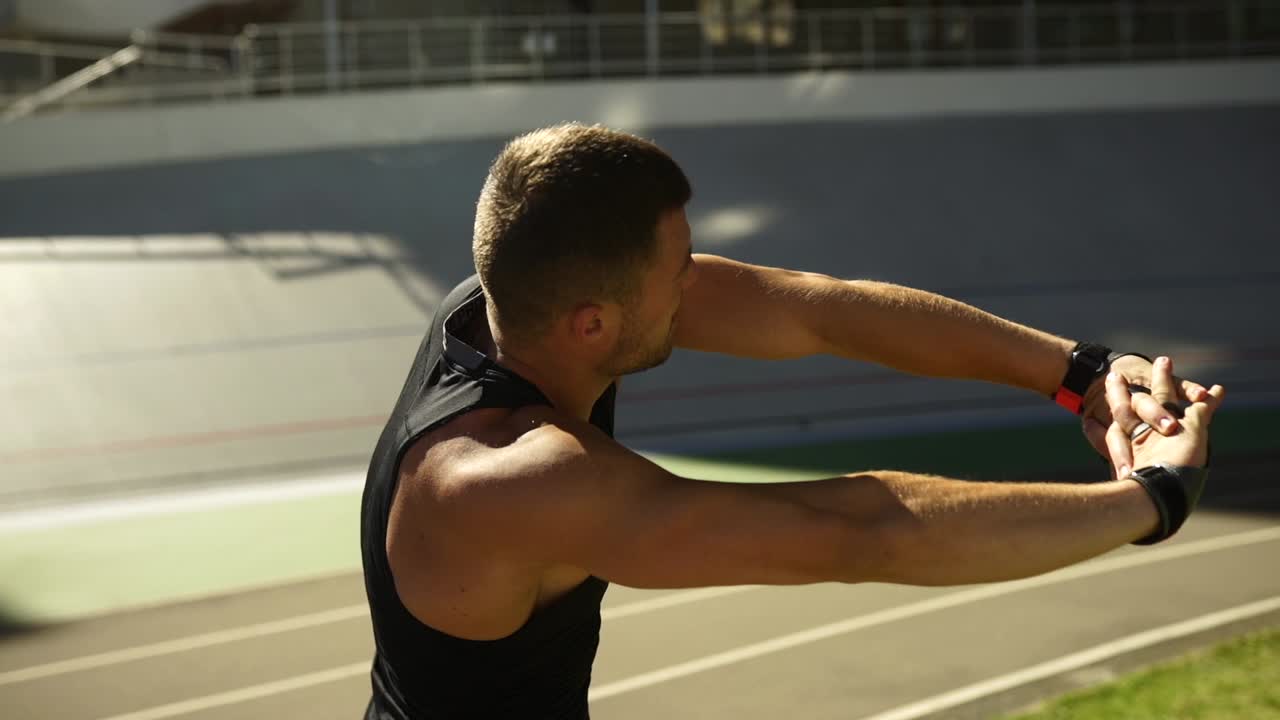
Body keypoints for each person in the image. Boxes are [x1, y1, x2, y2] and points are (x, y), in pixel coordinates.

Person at [359, 123, 1224, 719]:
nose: (699, 281)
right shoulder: (505, 479)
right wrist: (1154, 496)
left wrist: (1083, 373)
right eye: (682, 268)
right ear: (594, 323)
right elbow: (860, 532)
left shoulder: (504, 305)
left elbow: (822, 311)